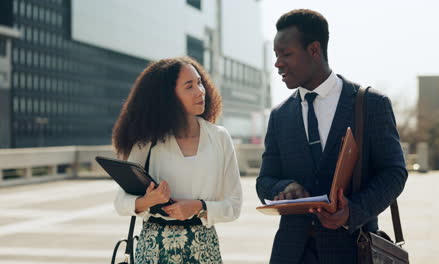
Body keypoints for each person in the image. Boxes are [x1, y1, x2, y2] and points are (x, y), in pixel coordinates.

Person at [256, 9, 408, 264]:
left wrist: (353, 211)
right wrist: (284, 188)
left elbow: (394, 172)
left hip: (353, 250)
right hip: (291, 253)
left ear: (314, 50)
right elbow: (265, 180)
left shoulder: (370, 104)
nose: (277, 63)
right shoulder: (280, 116)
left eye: (286, 54)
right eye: (276, 55)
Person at [112, 57, 242, 263]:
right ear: (168, 96)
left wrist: (199, 207)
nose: (200, 91)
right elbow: (121, 202)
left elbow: (234, 205)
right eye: (189, 86)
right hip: (155, 249)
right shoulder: (147, 141)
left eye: (199, 82)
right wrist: (148, 201)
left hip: (203, 247)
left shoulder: (219, 137)